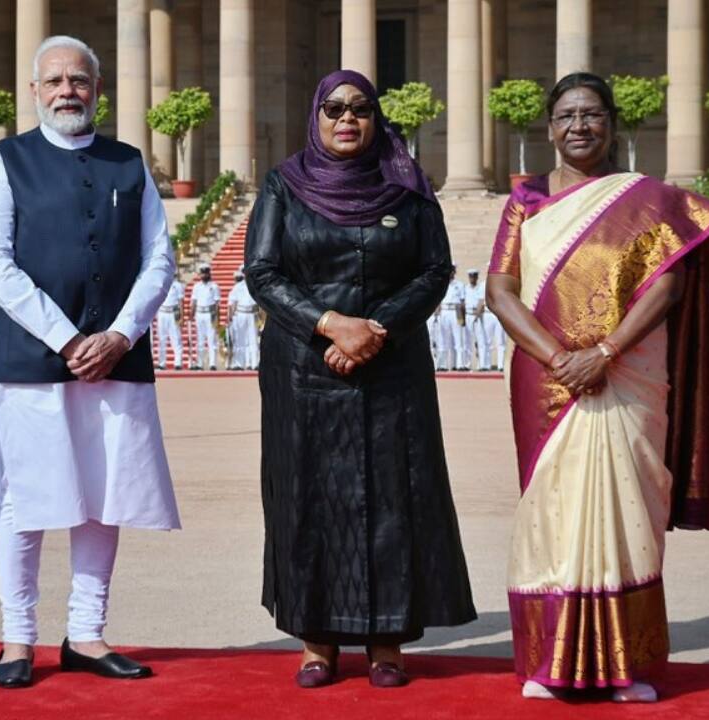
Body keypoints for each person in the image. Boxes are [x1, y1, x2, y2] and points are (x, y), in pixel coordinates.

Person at [0, 35, 179, 689]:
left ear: (97, 89)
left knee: (104, 496)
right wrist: (70, 340)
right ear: (35, 91)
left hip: (117, 358)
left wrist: (120, 335)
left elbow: (159, 259)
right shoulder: (4, 161)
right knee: (27, 500)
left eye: (79, 80)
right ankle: (17, 638)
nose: (67, 91)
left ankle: (87, 634)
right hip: (35, 361)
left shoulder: (130, 163)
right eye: (55, 81)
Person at [486, 73, 709, 704]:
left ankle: (629, 666)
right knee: (551, 512)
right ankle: (549, 663)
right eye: (566, 115)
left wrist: (604, 353)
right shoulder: (526, 201)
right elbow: (500, 290)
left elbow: (667, 286)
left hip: (628, 375)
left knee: (628, 513)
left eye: (592, 114)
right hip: (546, 382)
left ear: (612, 124)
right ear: (549, 128)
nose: (579, 126)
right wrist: (559, 359)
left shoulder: (649, 200)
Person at [245, 69, 476, 690]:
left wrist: (375, 330)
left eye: (360, 108)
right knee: (307, 498)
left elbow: (434, 270)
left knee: (393, 497)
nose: (347, 119)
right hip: (303, 369)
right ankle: (315, 640)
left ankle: (386, 641)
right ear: (316, 117)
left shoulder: (406, 186)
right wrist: (330, 325)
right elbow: (262, 273)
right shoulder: (284, 185)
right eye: (334, 108)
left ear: (376, 118)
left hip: (391, 367)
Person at [227, 267, 260, 370]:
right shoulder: (238, 287)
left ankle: (255, 363)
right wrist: (230, 316)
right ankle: (239, 363)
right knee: (239, 339)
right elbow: (233, 302)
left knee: (253, 339)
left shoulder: (256, 285)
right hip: (240, 314)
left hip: (252, 314)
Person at [435, 265, 466, 371]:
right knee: (443, 339)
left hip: (455, 311)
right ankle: (442, 365)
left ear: (455, 272)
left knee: (458, 339)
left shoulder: (460, 285)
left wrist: (463, 318)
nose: (451, 272)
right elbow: (437, 300)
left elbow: (462, 302)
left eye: (452, 270)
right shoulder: (442, 283)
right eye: (449, 270)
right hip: (444, 311)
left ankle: (460, 364)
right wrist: (437, 313)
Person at [190, 264, 221, 370]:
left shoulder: (214, 286)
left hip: (210, 314)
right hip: (199, 314)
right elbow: (194, 302)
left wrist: (217, 318)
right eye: (202, 274)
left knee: (211, 340)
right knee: (200, 340)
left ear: (209, 273)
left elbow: (217, 304)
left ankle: (212, 363)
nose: (203, 275)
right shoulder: (196, 286)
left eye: (205, 273)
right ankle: (200, 363)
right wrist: (191, 315)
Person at [155, 270, 185, 369]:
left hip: (173, 312)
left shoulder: (178, 285)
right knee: (161, 339)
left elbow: (181, 302)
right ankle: (161, 363)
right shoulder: (161, 283)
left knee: (176, 338)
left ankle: (178, 363)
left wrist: (182, 316)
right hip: (162, 312)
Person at [464, 269, 490, 370]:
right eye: (471, 277)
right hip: (468, 315)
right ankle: (467, 364)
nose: (472, 279)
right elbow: (462, 303)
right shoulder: (465, 288)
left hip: (477, 316)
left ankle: (482, 365)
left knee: (480, 341)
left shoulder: (480, 288)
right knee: (468, 341)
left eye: (474, 277)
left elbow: (481, 301)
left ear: (477, 277)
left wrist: (477, 315)